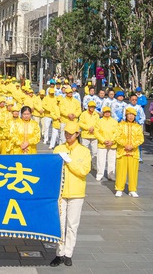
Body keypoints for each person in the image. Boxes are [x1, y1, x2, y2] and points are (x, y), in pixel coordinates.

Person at [51, 122, 91, 267]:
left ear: (77, 134)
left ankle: (68, 253)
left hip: (76, 192)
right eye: (66, 133)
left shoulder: (84, 151)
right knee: (60, 224)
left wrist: (69, 162)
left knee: (72, 225)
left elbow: (84, 171)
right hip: (60, 192)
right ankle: (59, 253)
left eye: (71, 134)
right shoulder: (58, 149)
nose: (68, 136)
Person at [115, 107, 144, 197]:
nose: (131, 116)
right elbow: (117, 136)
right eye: (129, 114)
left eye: (132, 115)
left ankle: (132, 189)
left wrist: (133, 145)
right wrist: (125, 145)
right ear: (126, 115)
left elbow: (141, 139)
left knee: (133, 172)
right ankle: (119, 188)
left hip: (134, 152)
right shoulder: (120, 125)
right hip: (122, 151)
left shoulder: (138, 127)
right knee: (121, 171)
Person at [95, 106, 118, 181]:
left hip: (112, 144)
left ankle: (111, 175)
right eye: (105, 112)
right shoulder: (99, 121)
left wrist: (112, 141)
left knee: (112, 160)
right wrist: (103, 140)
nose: (107, 113)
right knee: (101, 160)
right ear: (103, 113)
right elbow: (96, 132)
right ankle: (99, 174)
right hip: (102, 144)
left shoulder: (114, 121)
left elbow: (117, 132)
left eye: (108, 112)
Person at [78, 100, 100, 170]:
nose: (92, 108)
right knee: (85, 151)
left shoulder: (96, 114)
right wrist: (88, 128)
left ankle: (94, 165)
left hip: (94, 135)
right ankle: (84, 164)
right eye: (91, 107)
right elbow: (80, 123)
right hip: (85, 135)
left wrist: (93, 128)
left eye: (93, 107)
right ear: (88, 107)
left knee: (95, 152)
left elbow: (98, 123)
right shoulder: (83, 114)